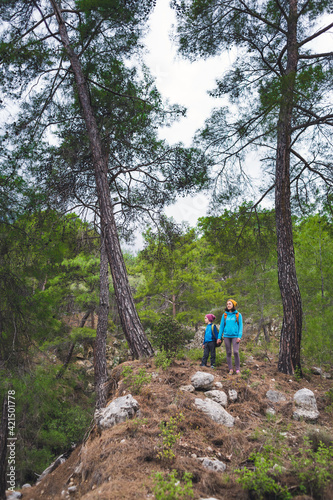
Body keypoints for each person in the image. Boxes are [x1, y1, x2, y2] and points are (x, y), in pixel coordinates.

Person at [217, 299, 243, 375]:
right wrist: (219, 337)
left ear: (233, 305)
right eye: (227, 304)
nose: (228, 305)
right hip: (226, 336)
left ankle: (237, 369)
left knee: (235, 352)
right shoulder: (224, 315)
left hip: (235, 336)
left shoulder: (238, 315)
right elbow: (221, 326)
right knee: (228, 352)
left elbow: (241, 326)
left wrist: (239, 336)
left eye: (230, 304)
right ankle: (230, 369)